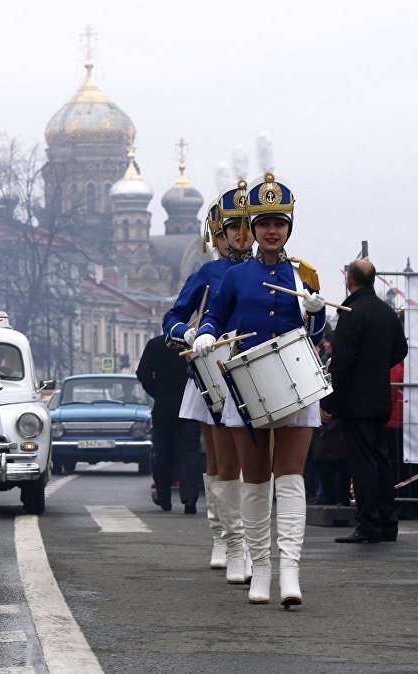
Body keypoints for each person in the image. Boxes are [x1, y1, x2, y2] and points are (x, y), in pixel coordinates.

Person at [193, 171, 326, 607]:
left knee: (290, 478)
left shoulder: (303, 273)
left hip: (295, 384)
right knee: (255, 480)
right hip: (246, 386)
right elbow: (214, 316)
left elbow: (316, 330)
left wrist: (315, 309)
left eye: (279, 223)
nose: (272, 231)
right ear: (252, 228)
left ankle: (290, 571)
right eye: (264, 223)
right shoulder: (234, 277)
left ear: (289, 227)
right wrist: (205, 336)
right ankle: (260, 569)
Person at [163, 182, 255, 581]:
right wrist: (188, 332)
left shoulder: (268, 267)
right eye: (228, 230)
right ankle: (224, 535)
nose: (238, 236)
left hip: (255, 371)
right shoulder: (208, 272)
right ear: (215, 237)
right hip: (213, 373)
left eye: (244, 227)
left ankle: (250, 539)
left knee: (254, 460)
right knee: (221, 461)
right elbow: (172, 317)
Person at [322, 259, 408, 543]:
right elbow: (401, 349)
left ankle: (368, 524)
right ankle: (387, 522)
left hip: (356, 402)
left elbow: (342, 362)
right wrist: (376, 367)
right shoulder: (386, 313)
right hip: (381, 397)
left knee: (362, 464)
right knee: (381, 460)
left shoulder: (351, 312)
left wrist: (330, 401)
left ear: (349, 280)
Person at [136, 334, 202, 514]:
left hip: (164, 405)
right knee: (190, 452)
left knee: (163, 451)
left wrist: (157, 391)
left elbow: (142, 373)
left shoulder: (155, 344)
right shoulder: (193, 344)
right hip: (191, 406)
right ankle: (190, 500)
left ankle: (164, 498)